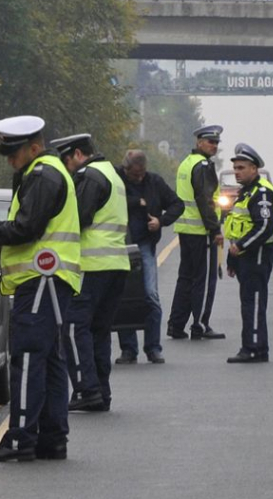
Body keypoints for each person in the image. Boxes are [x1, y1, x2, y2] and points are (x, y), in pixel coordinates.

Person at [0, 115, 81, 462]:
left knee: (27, 358)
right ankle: (52, 438)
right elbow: (30, 232)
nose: (10, 160)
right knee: (51, 360)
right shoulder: (39, 173)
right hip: (49, 279)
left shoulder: (42, 175)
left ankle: (20, 439)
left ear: (34, 146)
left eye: (13, 153)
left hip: (40, 280)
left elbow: (26, 228)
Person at [51, 133, 130, 412]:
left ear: (76, 154)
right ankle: (100, 391)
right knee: (99, 330)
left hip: (91, 264)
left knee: (73, 326)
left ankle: (86, 389)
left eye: (65, 159)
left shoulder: (89, 176)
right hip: (116, 265)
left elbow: (78, 219)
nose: (66, 166)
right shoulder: (112, 174)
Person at [114, 149, 184, 365]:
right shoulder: (115, 180)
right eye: (135, 174)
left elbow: (177, 204)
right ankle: (128, 349)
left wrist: (160, 221)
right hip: (119, 246)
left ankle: (153, 348)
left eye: (142, 173)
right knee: (122, 296)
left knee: (150, 295)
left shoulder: (154, 182)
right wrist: (137, 202)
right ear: (126, 169)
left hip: (144, 245)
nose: (139, 177)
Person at [167, 125, 225, 340]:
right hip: (201, 231)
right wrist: (215, 229)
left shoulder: (186, 163)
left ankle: (176, 325)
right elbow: (205, 200)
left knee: (185, 278)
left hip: (186, 229)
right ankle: (200, 324)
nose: (215, 146)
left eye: (217, 143)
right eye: (211, 142)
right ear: (199, 142)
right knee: (204, 279)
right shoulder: (202, 166)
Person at [224, 144, 273, 363]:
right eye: (235, 168)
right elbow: (236, 225)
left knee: (254, 301)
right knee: (248, 301)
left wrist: (241, 245)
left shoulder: (262, 193)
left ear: (254, 169)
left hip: (257, 254)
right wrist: (232, 258)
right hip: (245, 256)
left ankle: (255, 348)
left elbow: (264, 227)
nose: (237, 172)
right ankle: (252, 346)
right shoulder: (246, 192)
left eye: (241, 168)